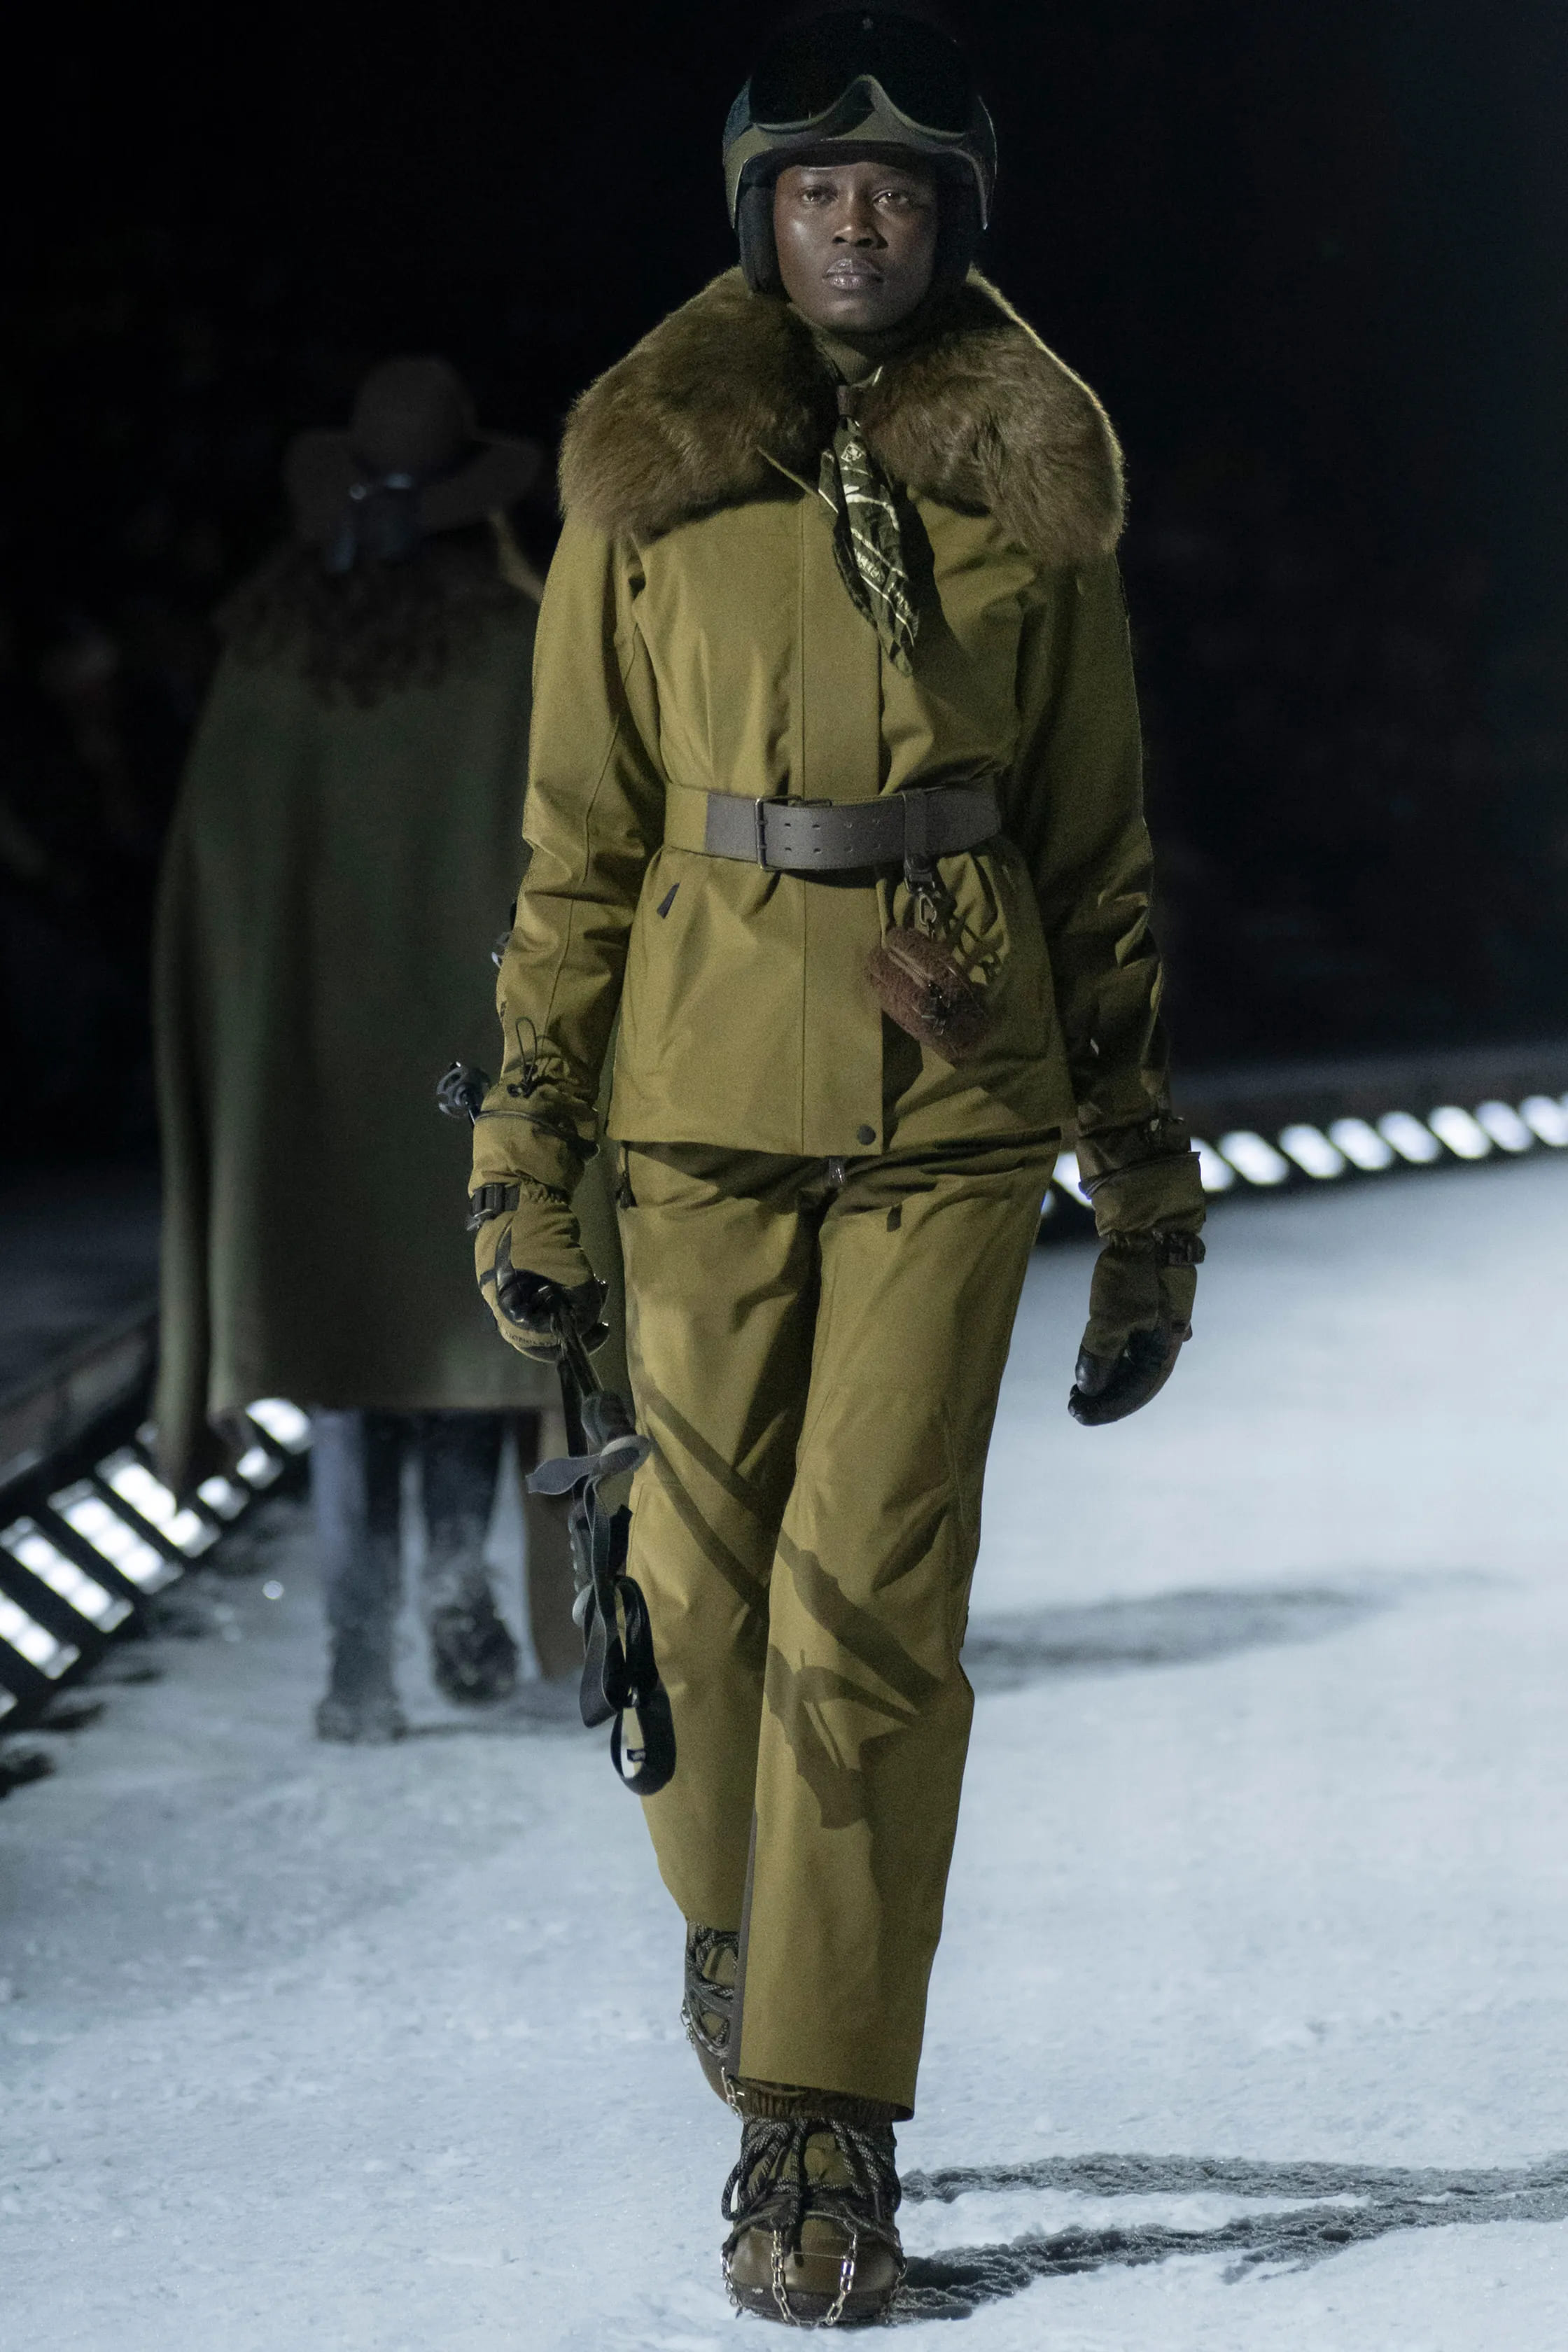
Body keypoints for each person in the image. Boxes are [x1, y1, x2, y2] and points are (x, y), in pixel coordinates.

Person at [469, 7, 1205, 2323]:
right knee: (688, 1600)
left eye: (894, 189)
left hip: (955, 1097)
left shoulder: (1036, 487)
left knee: (873, 1602)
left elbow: (1096, 850)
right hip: (695, 1089)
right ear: (757, 214)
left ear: (953, 217)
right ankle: (745, 1923)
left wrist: (1142, 1183)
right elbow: (577, 841)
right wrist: (525, 1151)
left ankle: (821, 2123)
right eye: (815, 187)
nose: (857, 221)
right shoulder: (643, 484)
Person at [155, 356, 626, 1740]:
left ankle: (355, 1665)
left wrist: (254, 1022)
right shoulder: (510, 641)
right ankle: (452, 1579)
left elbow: (215, 871)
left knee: (347, 1350)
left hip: (307, 1058)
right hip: (464, 1044)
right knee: (464, 1337)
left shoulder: (268, 655)